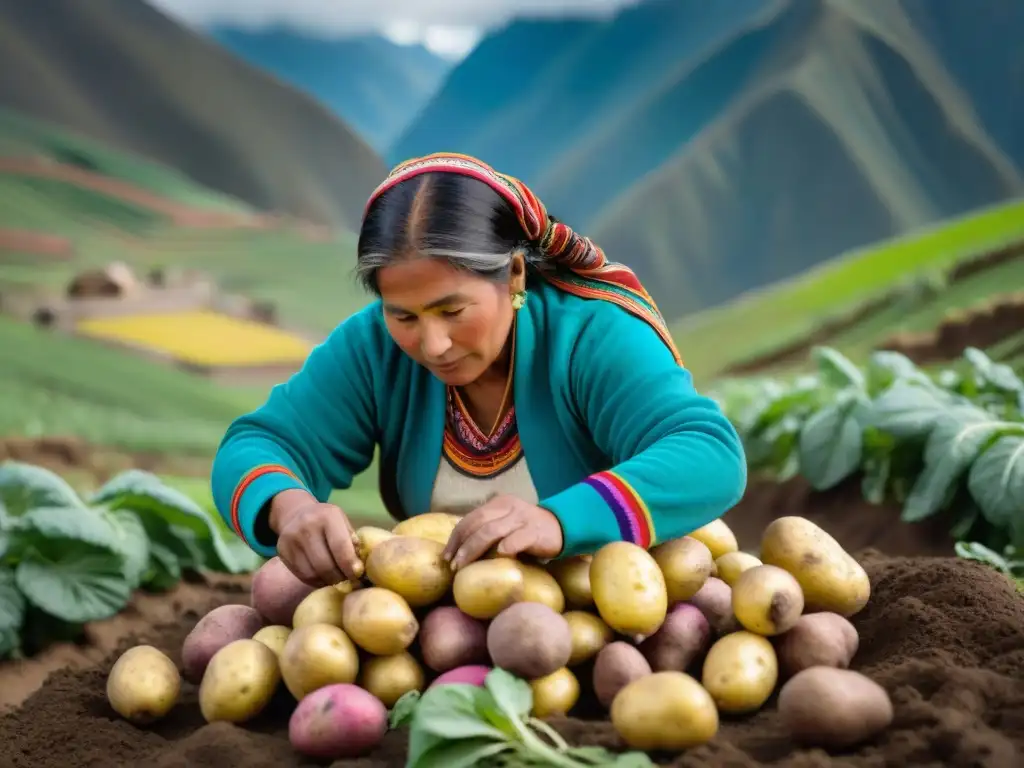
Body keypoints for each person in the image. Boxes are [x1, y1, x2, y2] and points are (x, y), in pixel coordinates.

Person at [211, 152, 747, 588]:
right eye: (404, 315)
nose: (433, 343)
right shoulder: (374, 347)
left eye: (452, 310)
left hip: (610, 605)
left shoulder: (591, 337)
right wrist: (291, 508)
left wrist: (560, 521)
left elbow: (710, 453)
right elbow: (256, 443)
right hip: (450, 621)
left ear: (514, 274)